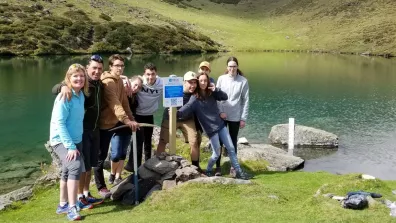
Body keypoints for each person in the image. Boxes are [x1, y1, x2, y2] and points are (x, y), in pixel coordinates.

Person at [176, 72, 252, 180]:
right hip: (210, 130)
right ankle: (208, 170)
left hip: (220, 125)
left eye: (205, 81)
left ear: (208, 82)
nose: (203, 83)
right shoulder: (195, 98)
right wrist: (177, 113)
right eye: (201, 81)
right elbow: (187, 107)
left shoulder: (211, 92)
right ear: (198, 82)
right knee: (216, 154)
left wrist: (216, 89)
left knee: (230, 147)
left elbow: (225, 97)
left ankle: (239, 172)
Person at [52, 55, 105, 206]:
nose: (96, 71)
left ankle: (86, 194)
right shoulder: (73, 88)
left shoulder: (95, 85)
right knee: (81, 167)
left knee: (89, 166)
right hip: (82, 132)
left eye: (100, 69)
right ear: (88, 67)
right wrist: (62, 87)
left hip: (93, 130)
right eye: (94, 68)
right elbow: (56, 87)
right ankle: (78, 197)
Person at [95, 54, 139, 193]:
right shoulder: (108, 82)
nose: (120, 68)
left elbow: (124, 103)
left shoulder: (119, 81)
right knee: (100, 158)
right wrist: (126, 120)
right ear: (111, 67)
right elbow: (114, 104)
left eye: (122, 65)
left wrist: (131, 119)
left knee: (120, 150)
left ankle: (115, 177)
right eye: (117, 65)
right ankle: (101, 186)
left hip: (116, 122)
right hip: (104, 124)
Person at [50, 63, 88, 221]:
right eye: (75, 76)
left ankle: (63, 205)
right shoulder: (65, 95)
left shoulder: (80, 95)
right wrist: (71, 146)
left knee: (67, 170)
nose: (79, 78)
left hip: (76, 139)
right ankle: (73, 208)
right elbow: (60, 123)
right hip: (61, 140)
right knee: (74, 166)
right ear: (68, 78)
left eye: (81, 76)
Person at [156, 71, 202, 171]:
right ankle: (157, 163)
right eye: (190, 82)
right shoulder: (176, 88)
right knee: (163, 141)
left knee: (194, 141)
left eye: (195, 82)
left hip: (187, 118)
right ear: (184, 82)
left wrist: (179, 112)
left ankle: (196, 166)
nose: (193, 85)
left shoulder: (195, 93)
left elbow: (189, 105)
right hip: (170, 117)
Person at [215, 56, 249, 177]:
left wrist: (243, 118)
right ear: (227, 67)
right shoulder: (221, 79)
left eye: (234, 66)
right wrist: (220, 112)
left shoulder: (243, 81)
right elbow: (217, 97)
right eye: (230, 66)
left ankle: (233, 167)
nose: (232, 69)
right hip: (222, 115)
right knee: (219, 141)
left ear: (237, 67)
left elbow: (245, 101)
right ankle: (218, 167)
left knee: (232, 142)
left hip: (235, 116)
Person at [125, 63, 163, 170]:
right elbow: (126, 82)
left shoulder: (161, 83)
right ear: (144, 74)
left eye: (153, 74)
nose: (150, 77)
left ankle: (148, 164)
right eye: (148, 74)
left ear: (156, 74)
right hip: (137, 115)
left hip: (149, 115)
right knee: (137, 141)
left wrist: (173, 107)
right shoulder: (139, 82)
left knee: (148, 140)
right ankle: (134, 166)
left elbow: (174, 89)